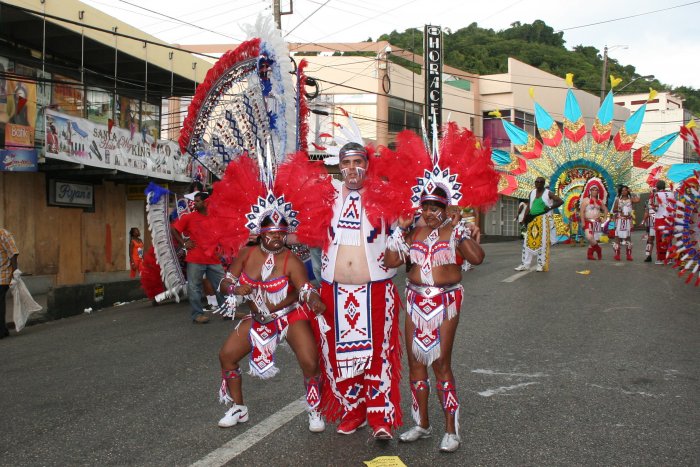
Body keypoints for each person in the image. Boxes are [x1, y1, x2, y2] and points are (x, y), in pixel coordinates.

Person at [315, 142, 403, 440]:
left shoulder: (385, 197)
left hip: (375, 290)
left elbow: (412, 225)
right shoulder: (326, 196)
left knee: (378, 354)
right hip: (333, 291)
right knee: (339, 356)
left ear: (368, 164)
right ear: (339, 166)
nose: (352, 168)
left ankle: (380, 417)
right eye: (346, 163)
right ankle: (353, 411)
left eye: (358, 162)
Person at [385, 187, 484, 452]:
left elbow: (477, 257)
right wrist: (401, 230)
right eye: (425, 208)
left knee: (441, 364)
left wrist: (459, 228)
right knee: (416, 363)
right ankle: (422, 424)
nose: (429, 213)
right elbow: (391, 261)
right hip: (416, 301)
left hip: (445, 302)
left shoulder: (454, 231)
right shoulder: (414, 232)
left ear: (446, 208)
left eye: (435, 208)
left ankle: (452, 431)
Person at [216, 217, 326, 432]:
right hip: (257, 318)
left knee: (310, 363)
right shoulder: (246, 254)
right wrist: (234, 290)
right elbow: (225, 282)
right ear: (260, 233)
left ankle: (315, 410)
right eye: (271, 232)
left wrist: (313, 299)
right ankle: (238, 408)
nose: (277, 237)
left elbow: (304, 288)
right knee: (227, 356)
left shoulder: (291, 259)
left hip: (288, 316)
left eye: (281, 232)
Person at [170, 192, 224, 323]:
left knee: (222, 285)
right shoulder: (189, 217)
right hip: (195, 258)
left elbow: (222, 234)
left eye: (198, 201)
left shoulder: (215, 217)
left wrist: (222, 249)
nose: (195, 203)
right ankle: (197, 315)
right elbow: (174, 229)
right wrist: (184, 243)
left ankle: (228, 311)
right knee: (194, 287)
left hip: (213, 259)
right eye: (194, 201)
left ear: (206, 202)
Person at [514, 177, 563, 271]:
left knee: (543, 242)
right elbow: (529, 206)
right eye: (537, 181)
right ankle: (525, 264)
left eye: (541, 182)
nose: (538, 183)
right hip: (532, 219)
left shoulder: (548, 193)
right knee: (527, 242)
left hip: (544, 219)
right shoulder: (532, 192)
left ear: (544, 183)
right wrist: (525, 218)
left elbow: (560, 201)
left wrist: (550, 207)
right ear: (535, 183)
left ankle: (541, 264)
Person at [580, 178, 609, 260]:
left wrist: (604, 218)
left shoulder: (600, 201)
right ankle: (598, 249)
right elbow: (581, 212)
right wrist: (582, 222)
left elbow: (606, 209)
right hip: (588, 221)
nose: (595, 191)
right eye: (593, 190)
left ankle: (590, 254)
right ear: (590, 191)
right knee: (589, 237)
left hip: (597, 222)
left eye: (596, 190)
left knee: (593, 239)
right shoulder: (586, 200)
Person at [611, 185, 640, 261]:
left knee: (628, 237)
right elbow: (614, 210)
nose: (624, 192)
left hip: (628, 221)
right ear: (620, 191)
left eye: (625, 190)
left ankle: (629, 255)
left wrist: (632, 192)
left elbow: (638, 199)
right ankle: (617, 254)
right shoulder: (617, 200)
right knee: (617, 237)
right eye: (622, 190)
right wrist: (618, 213)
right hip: (619, 220)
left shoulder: (631, 199)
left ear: (628, 191)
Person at [0, 227, 19, 339]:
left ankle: (1, 331)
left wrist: (15, 272)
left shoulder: (3, 234)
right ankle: (4, 329)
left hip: (3, 275)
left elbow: (13, 253)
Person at [652, 180, 675, 264]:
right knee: (668, 238)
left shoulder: (656, 194)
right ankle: (670, 258)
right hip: (669, 218)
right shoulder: (671, 193)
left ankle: (661, 258)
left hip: (660, 218)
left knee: (659, 239)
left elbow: (656, 208)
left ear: (657, 187)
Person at [641, 191, 656, 262]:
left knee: (663, 239)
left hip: (661, 222)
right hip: (651, 223)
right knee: (650, 239)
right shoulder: (647, 202)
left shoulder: (663, 200)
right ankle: (649, 256)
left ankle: (664, 256)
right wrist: (643, 221)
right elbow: (646, 212)